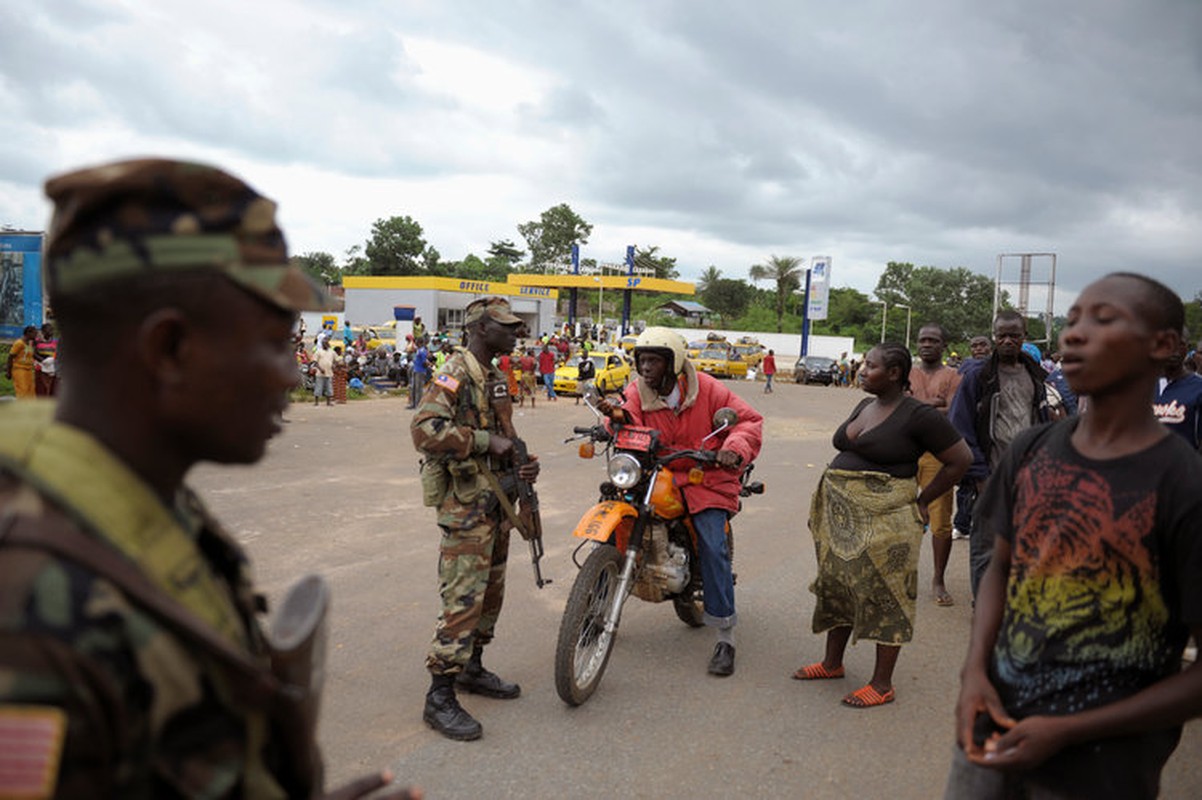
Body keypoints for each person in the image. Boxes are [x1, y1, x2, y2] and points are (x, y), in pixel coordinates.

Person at [0, 157, 418, 799]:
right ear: (169, 349)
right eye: (275, 342)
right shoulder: (29, 619)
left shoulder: (127, 497)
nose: (290, 374)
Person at [945, 273, 1202, 799]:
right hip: (992, 725)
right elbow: (1001, 565)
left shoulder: (1184, 484)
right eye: (1074, 319)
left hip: (1103, 765)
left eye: (1103, 320)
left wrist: (1067, 731)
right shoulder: (1032, 450)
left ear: (1165, 346)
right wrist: (975, 672)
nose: (1073, 334)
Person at [795, 343, 970, 707]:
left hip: (887, 519)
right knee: (839, 586)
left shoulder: (919, 415)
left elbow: (960, 460)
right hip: (841, 519)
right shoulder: (865, 404)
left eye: (871, 366)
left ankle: (882, 684)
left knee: (886, 595)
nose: (862, 370)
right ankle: (832, 663)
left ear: (894, 374)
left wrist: (923, 500)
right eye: (864, 365)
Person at [596, 327, 763, 676]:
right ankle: (599, 603)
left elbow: (747, 422)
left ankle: (725, 636)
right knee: (617, 518)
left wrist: (732, 451)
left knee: (713, 545)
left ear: (673, 363)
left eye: (654, 360)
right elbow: (626, 419)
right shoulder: (636, 391)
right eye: (642, 360)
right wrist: (611, 421)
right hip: (656, 474)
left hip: (706, 476)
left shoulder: (708, 388)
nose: (646, 368)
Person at [412, 296, 539, 741]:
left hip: (497, 504)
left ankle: (473, 667)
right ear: (481, 328)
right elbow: (424, 430)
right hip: (466, 508)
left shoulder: (496, 377)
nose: (515, 332)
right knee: (463, 599)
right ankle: (439, 695)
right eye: (506, 326)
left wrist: (521, 460)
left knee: (490, 595)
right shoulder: (456, 372)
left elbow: (506, 436)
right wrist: (485, 441)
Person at [948, 310, 1051, 598]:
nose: (1007, 341)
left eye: (1014, 335)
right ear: (994, 336)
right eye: (1001, 335)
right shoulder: (978, 376)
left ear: (1024, 337)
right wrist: (980, 476)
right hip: (990, 477)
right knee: (986, 548)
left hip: (1029, 479)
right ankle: (984, 606)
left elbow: (1042, 424)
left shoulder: (1036, 375)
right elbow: (961, 429)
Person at [910, 323, 963, 607]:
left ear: (944, 345)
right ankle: (903, 574)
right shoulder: (907, 372)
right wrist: (934, 404)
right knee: (903, 516)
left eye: (933, 340)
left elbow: (952, 412)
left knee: (941, 520)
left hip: (938, 455)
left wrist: (917, 405)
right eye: (922, 340)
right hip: (904, 453)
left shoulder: (954, 376)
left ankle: (938, 578)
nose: (927, 344)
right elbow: (897, 408)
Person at [1154, 325, 1202, 451]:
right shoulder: (1142, 388)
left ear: (1187, 347)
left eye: (1180, 344)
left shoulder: (1198, 389)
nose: (1174, 350)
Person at [5, 325, 38, 398]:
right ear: (28, 333)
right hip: (20, 370)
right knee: (23, 391)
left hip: (29, 371)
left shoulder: (29, 344)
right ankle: (21, 408)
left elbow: (31, 355)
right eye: (35, 333)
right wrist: (8, 371)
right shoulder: (19, 343)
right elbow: (10, 357)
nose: (36, 335)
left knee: (31, 392)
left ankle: (29, 408)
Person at [406, 336, 431, 410]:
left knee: (419, 389)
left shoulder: (422, 351)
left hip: (420, 371)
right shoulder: (418, 350)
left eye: (417, 342)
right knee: (414, 388)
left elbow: (424, 362)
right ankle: (413, 403)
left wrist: (427, 366)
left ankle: (418, 404)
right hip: (416, 370)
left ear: (420, 342)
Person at [34, 322, 59, 396]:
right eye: (48, 330)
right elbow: (33, 353)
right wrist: (43, 361)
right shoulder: (37, 341)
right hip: (41, 366)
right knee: (41, 388)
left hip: (53, 367)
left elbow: (58, 353)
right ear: (43, 331)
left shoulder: (56, 341)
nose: (51, 332)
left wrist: (52, 361)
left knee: (53, 387)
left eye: (52, 330)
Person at [313, 337, 336, 406]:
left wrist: (334, 365)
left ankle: (328, 402)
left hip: (329, 372)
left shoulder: (332, 352)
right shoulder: (318, 351)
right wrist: (320, 369)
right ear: (322, 344)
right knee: (318, 387)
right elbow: (315, 362)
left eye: (326, 343)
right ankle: (316, 402)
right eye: (324, 343)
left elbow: (336, 360)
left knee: (329, 387)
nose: (326, 344)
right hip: (320, 373)